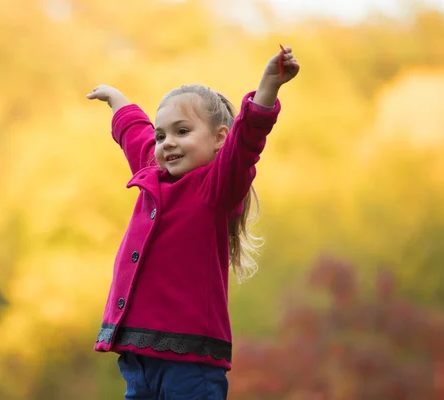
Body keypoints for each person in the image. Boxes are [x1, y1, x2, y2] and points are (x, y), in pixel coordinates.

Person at [86, 46, 300, 400]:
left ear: (219, 139)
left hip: (190, 363)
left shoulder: (214, 188)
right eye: (162, 135)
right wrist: (118, 101)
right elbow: (136, 136)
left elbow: (247, 142)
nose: (168, 143)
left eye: (182, 132)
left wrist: (267, 88)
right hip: (138, 359)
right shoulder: (153, 176)